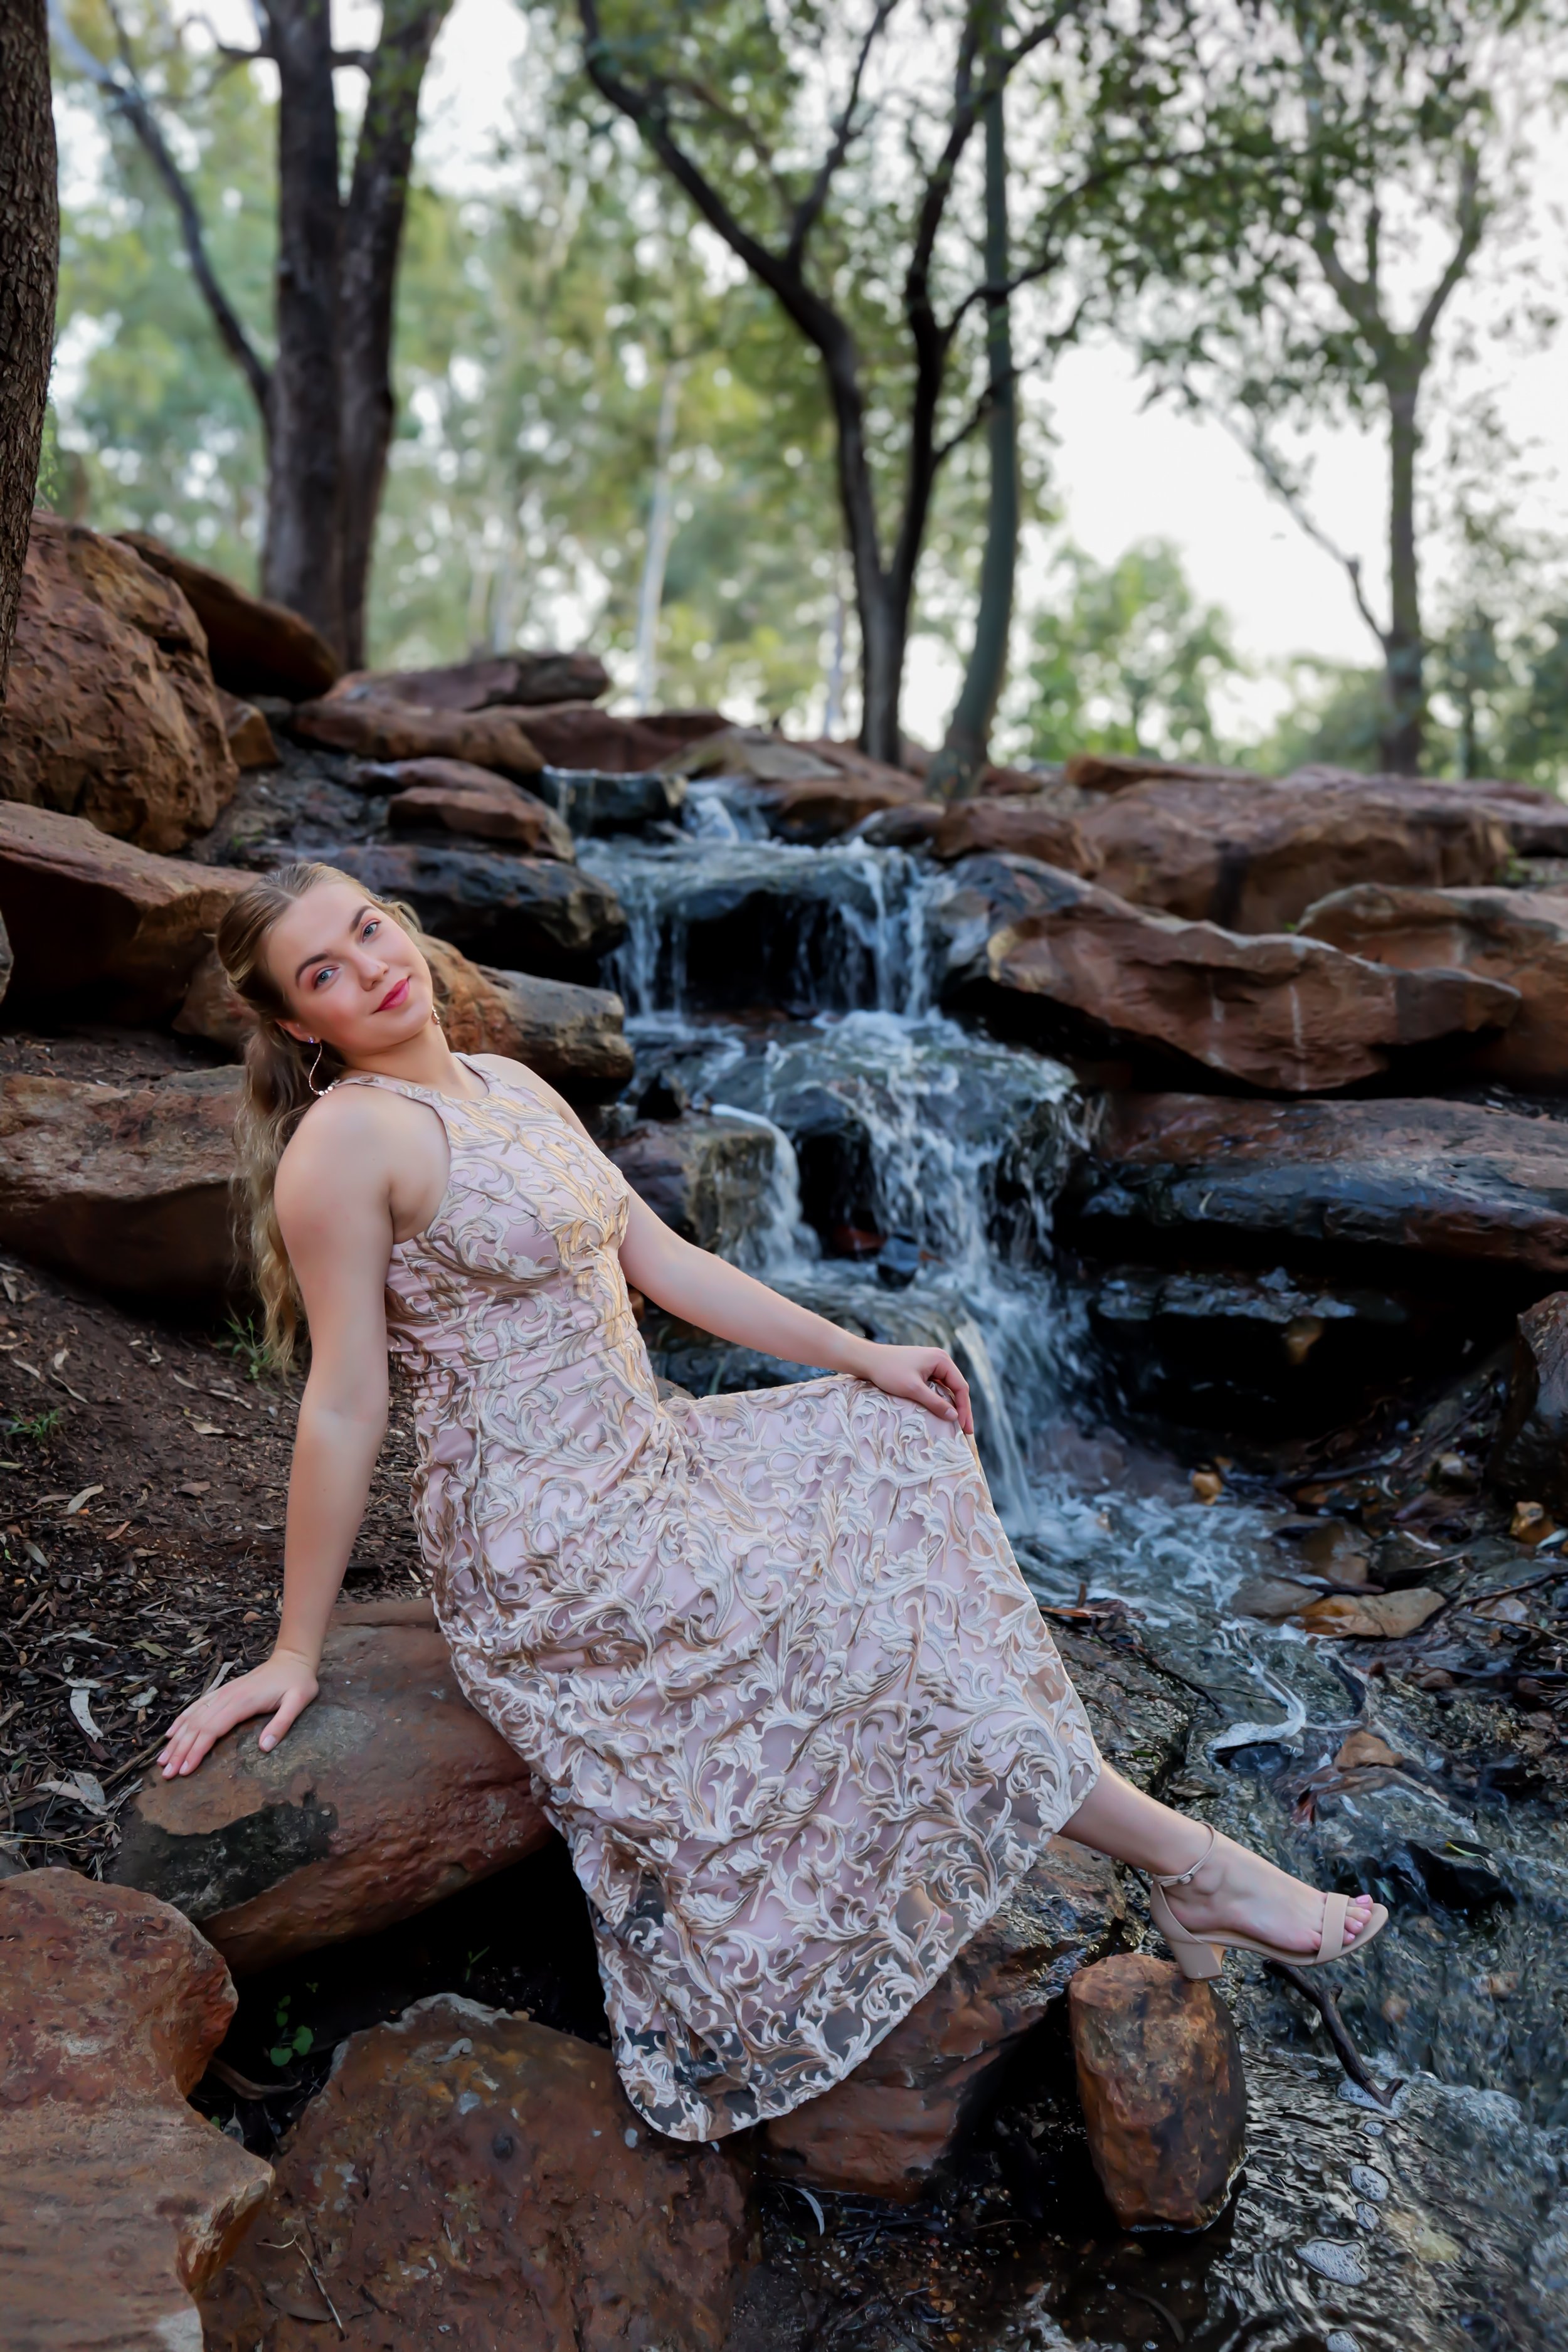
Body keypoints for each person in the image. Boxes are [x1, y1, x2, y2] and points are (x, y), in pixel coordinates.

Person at [159, 862, 1387, 2143]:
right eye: (324, 973)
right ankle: (1194, 1870)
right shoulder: (347, 1142)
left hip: (653, 1456)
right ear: (300, 1023)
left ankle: (1142, 1846)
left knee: (891, 1439)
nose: (368, 968)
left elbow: (663, 1259)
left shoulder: (510, 1086)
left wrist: (859, 1350)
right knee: (863, 1640)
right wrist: (295, 1650)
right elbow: (346, 1403)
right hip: (547, 1539)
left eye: (366, 928)